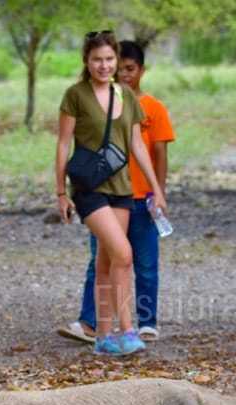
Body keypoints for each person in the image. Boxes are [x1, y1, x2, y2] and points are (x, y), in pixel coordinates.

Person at [55, 31, 167, 356]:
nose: (103, 65)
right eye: (96, 59)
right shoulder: (75, 95)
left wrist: (156, 188)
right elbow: (63, 143)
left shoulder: (126, 96)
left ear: (116, 60)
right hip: (89, 189)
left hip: (122, 189)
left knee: (107, 262)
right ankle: (128, 329)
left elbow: (136, 145)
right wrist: (61, 192)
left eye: (108, 59)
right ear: (86, 61)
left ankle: (104, 337)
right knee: (124, 253)